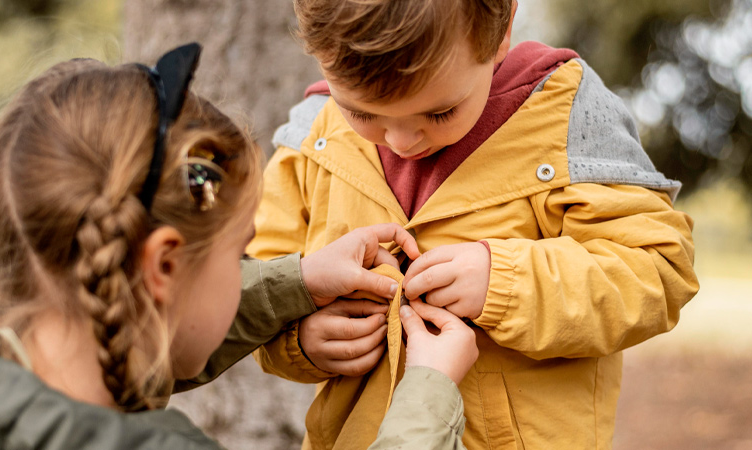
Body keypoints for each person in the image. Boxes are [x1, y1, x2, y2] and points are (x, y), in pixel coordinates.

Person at [0, 44, 477, 450]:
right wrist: (426, 392)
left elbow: (140, 322)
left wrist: (299, 280)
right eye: (240, 255)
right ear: (164, 264)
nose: (245, 269)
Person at [248, 0, 700, 449]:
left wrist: (503, 282)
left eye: (440, 112)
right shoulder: (311, 137)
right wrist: (300, 341)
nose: (402, 141)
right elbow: (255, 286)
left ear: (500, 31)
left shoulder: (564, 115)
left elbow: (657, 268)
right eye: (361, 113)